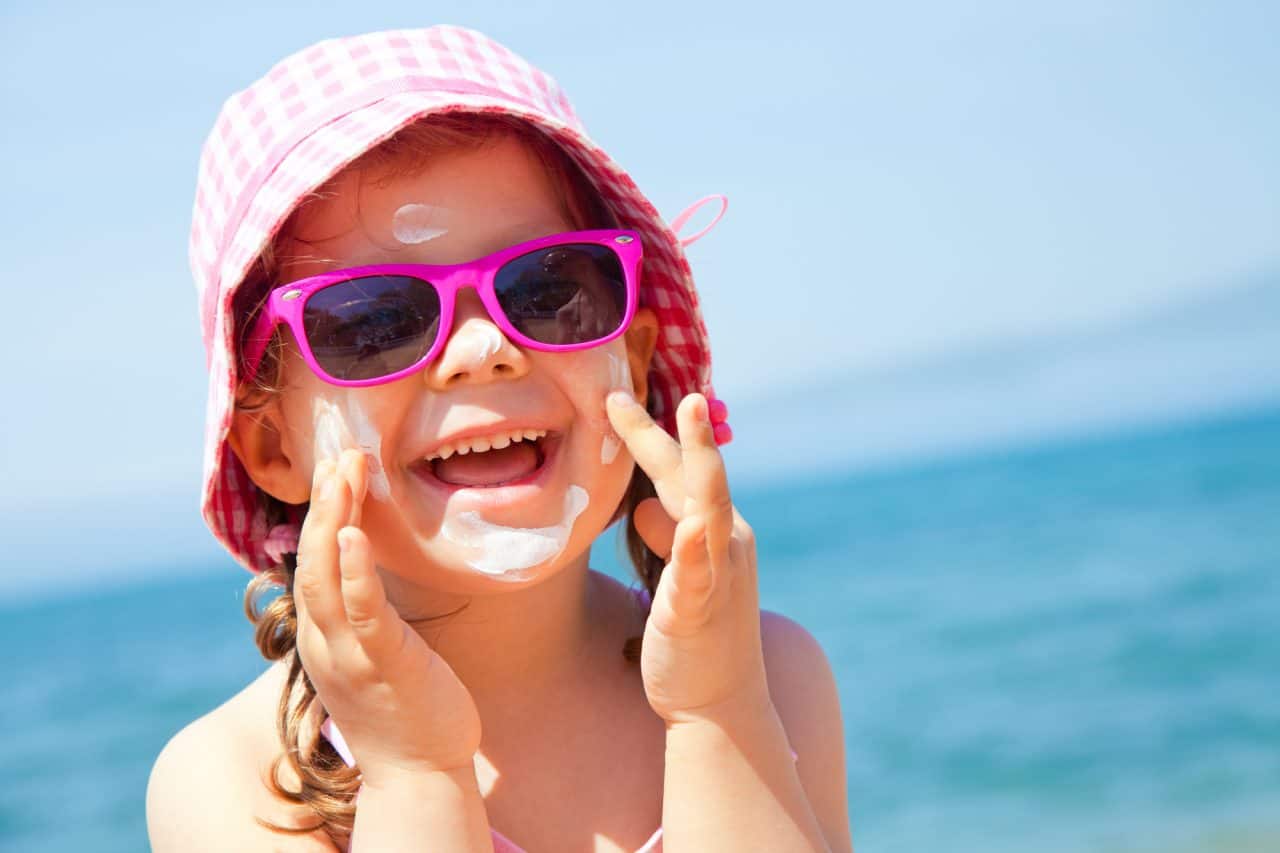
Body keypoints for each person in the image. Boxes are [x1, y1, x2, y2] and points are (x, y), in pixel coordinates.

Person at [146, 24, 852, 853]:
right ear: (272, 448)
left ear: (632, 357)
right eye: (374, 320)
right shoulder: (235, 782)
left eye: (548, 287)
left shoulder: (769, 675)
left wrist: (718, 713)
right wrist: (414, 776)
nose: (483, 348)